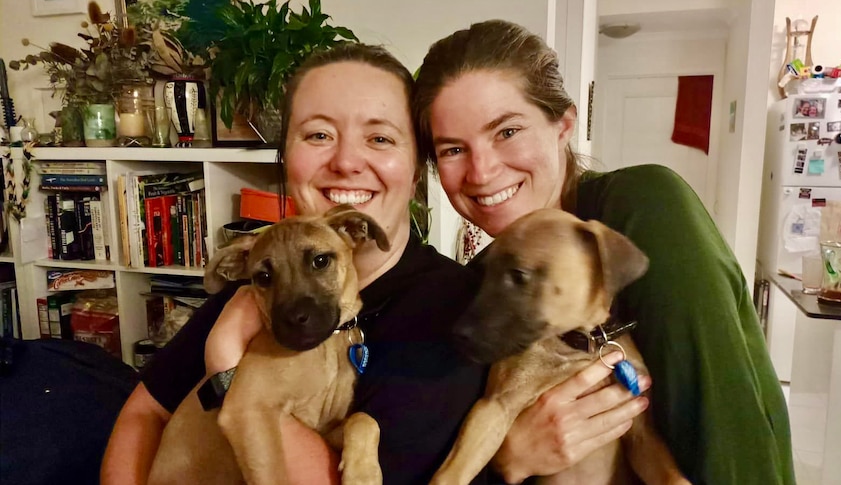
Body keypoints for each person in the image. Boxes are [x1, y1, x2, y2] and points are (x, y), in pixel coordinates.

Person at [101, 42, 647, 485]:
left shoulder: (454, 314)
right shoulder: (262, 279)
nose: (345, 160)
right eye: (317, 135)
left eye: (380, 138)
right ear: (284, 160)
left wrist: (227, 371)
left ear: (416, 170)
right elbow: (145, 413)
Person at [411, 19, 795, 484]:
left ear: (563, 125)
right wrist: (509, 461)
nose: (483, 170)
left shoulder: (642, 205)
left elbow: (725, 412)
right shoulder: (481, 284)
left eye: (508, 131)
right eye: (452, 149)